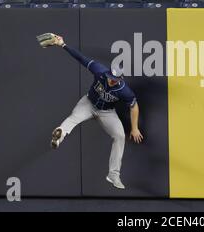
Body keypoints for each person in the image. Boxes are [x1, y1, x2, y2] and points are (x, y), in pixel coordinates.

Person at [49, 35, 143, 189]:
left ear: (120, 78)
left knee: (119, 136)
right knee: (73, 118)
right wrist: (63, 44)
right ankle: (58, 136)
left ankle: (113, 175)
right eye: (110, 76)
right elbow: (81, 58)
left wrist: (134, 128)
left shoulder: (124, 90)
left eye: (114, 78)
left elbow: (134, 106)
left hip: (107, 112)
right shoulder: (100, 70)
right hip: (88, 103)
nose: (111, 80)